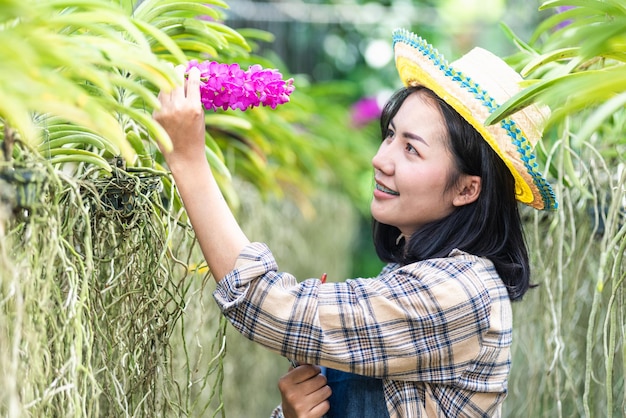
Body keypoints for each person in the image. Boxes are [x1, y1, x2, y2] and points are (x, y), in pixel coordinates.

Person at [154, 28, 557, 418]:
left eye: (411, 149)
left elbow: (272, 308)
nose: (380, 159)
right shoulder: (407, 278)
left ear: (468, 190)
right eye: (391, 135)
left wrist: (188, 159)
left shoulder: (462, 293)